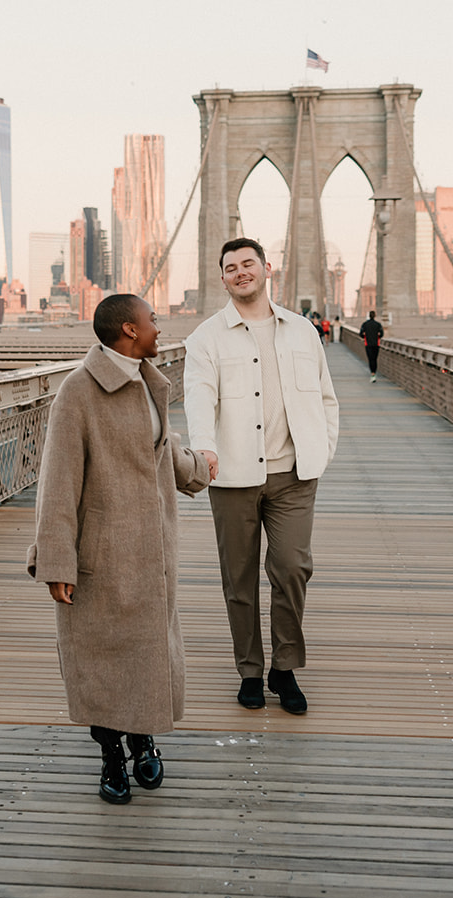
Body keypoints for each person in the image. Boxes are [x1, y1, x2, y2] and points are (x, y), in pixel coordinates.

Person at [28, 294, 213, 804]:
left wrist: (202, 468)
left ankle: (143, 739)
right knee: (105, 656)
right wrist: (56, 561)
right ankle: (111, 753)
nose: (160, 325)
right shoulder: (78, 392)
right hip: (102, 551)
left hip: (152, 550)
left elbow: (162, 449)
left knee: (147, 649)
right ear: (129, 330)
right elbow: (58, 483)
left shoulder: (149, 382)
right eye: (153, 319)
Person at [183, 238, 339, 715]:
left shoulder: (302, 331)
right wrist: (204, 449)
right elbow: (198, 399)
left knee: (293, 569)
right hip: (233, 475)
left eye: (248, 263)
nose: (240, 272)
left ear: (267, 268)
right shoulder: (205, 338)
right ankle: (250, 669)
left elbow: (326, 398)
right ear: (224, 278)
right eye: (231, 267)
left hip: (294, 474)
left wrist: (322, 449)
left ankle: (284, 667)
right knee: (240, 578)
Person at [360, 310, 385, 382]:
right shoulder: (378, 324)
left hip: (368, 344)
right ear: (375, 316)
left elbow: (361, 334)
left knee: (370, 359)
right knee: (375, 359)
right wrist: (377, 336)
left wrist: (365, 335)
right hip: (376, 344)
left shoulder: (365, 324)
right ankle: (374, 373)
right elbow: (382, 334)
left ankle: (372, 374)